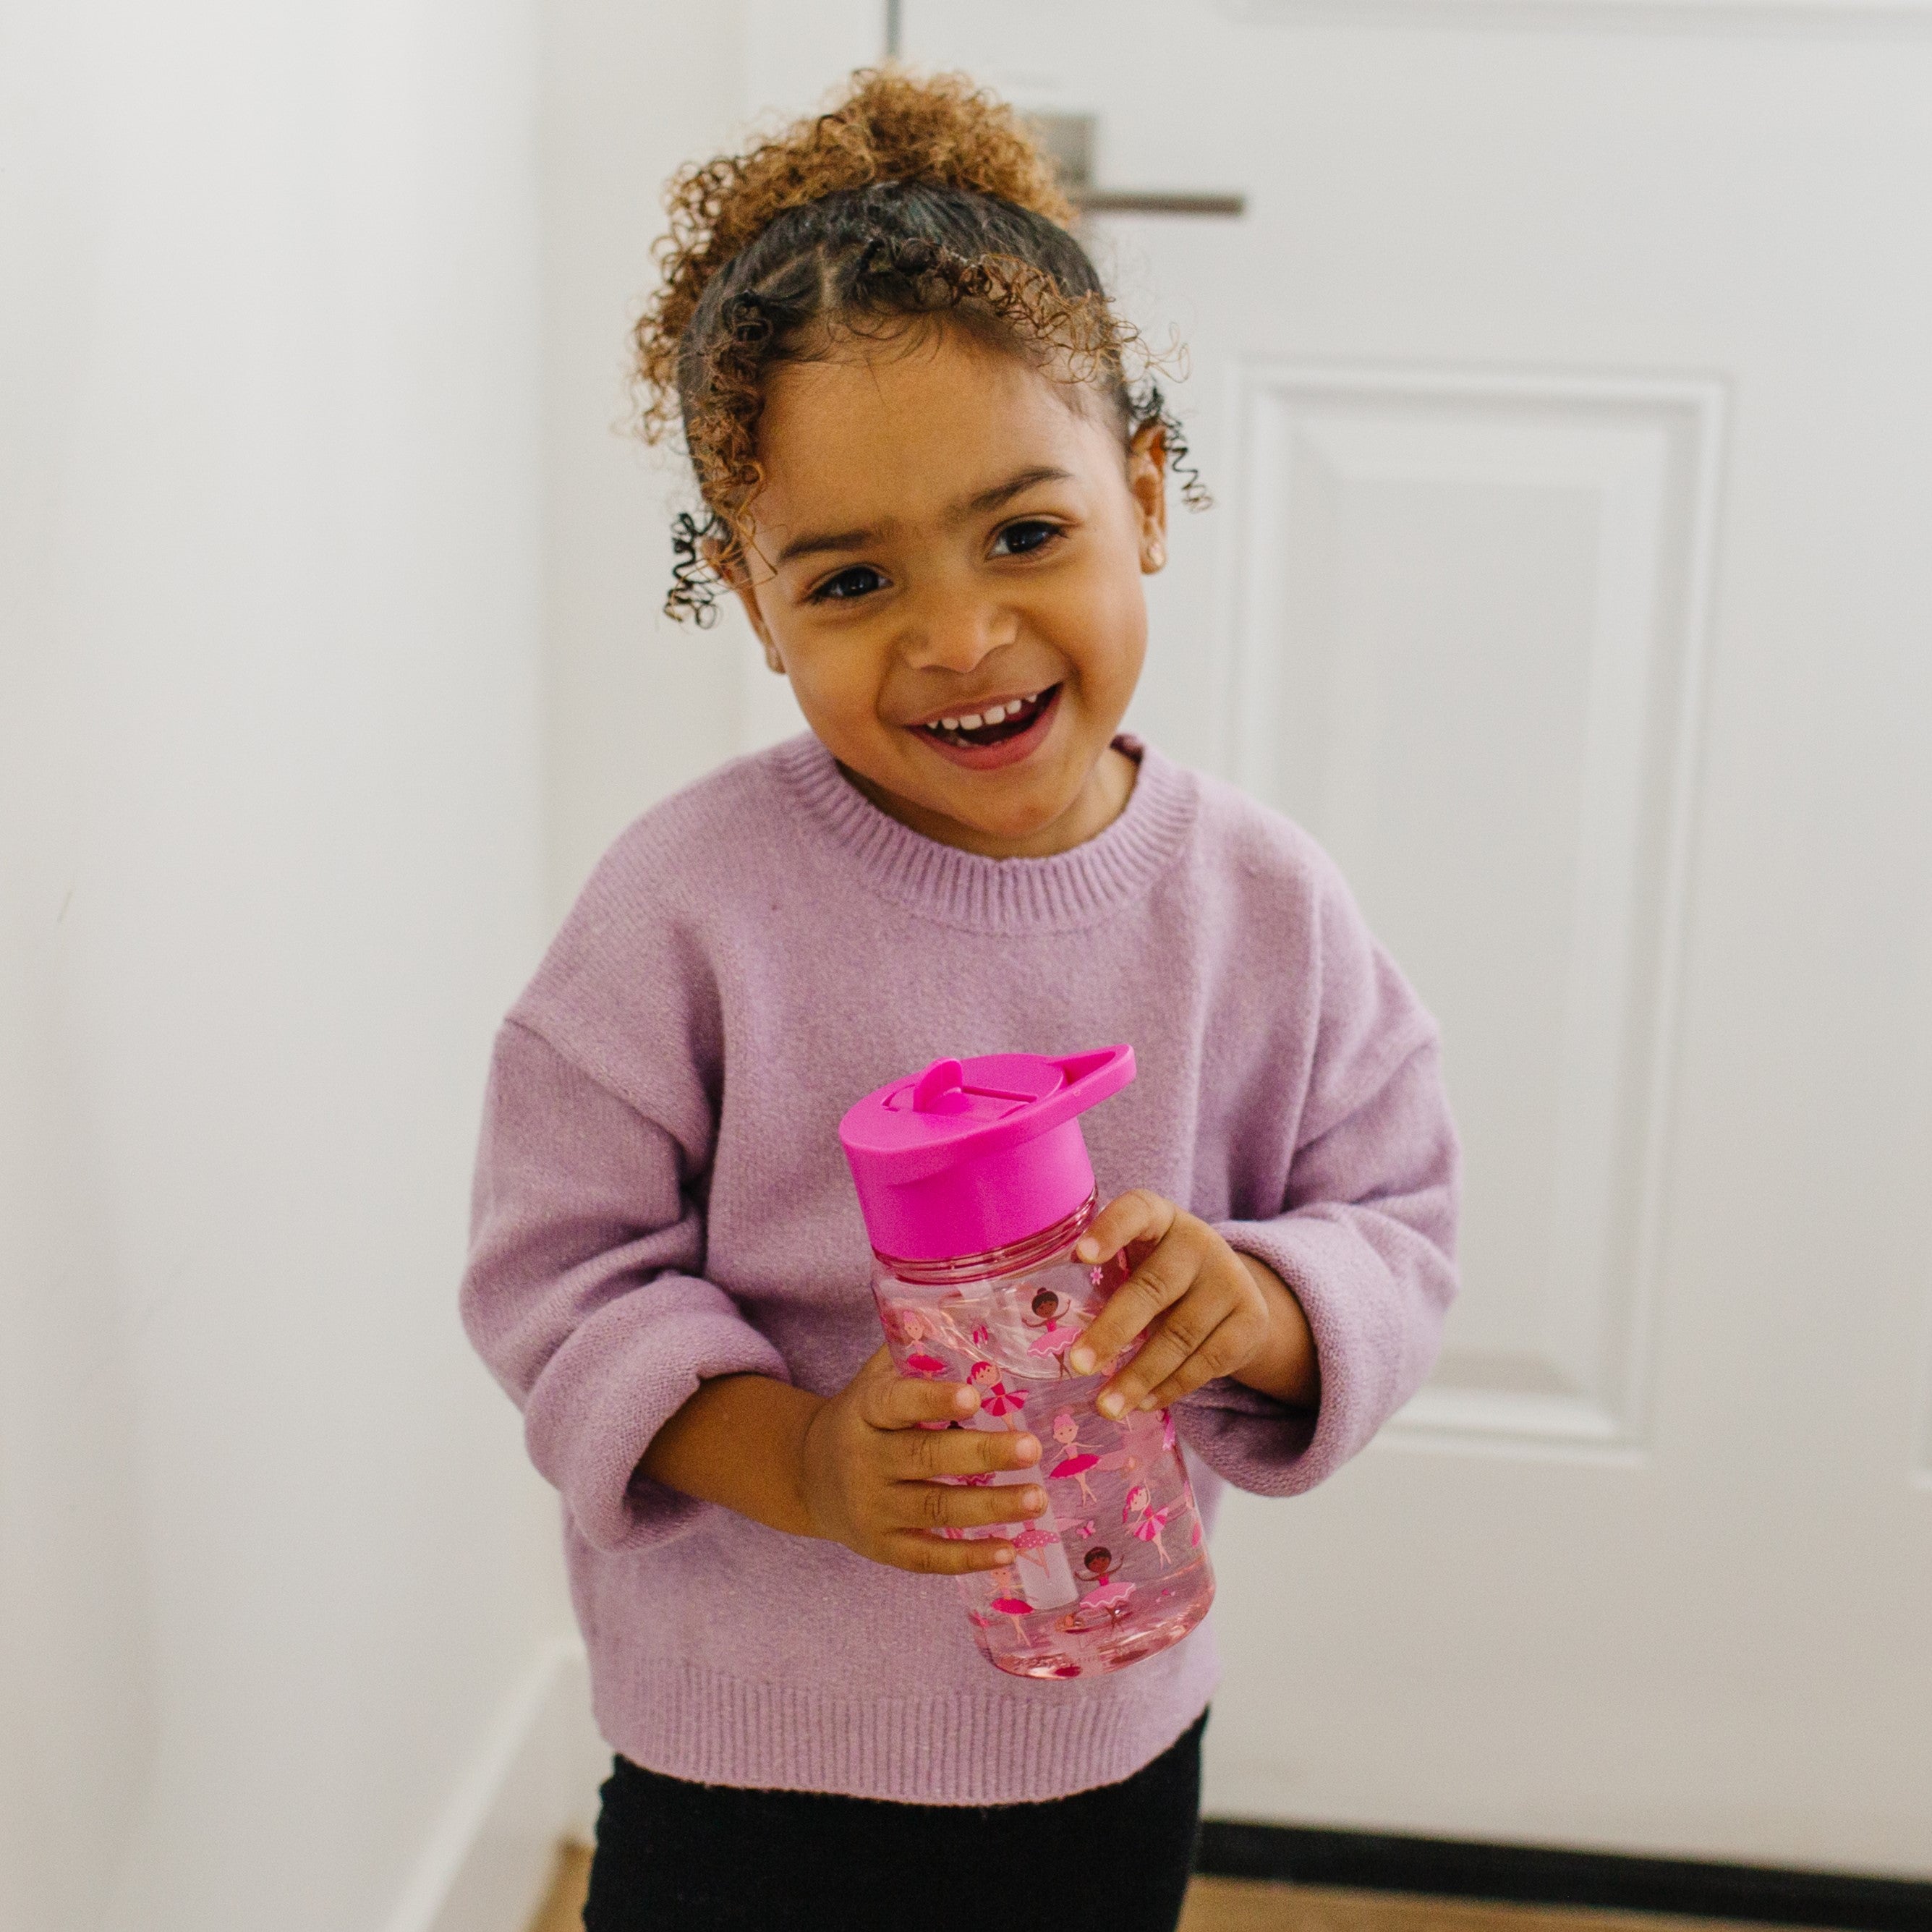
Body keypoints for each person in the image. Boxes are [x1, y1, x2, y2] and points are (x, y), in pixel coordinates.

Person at [461, 68, 1458, 1932]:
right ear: (755, 606)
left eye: (1023, 534)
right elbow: (557, 1281)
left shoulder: (1262, 907)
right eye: (852, 577)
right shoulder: (686, 908)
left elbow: (1395, 1220)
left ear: (1143, 494)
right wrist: (805, 1462)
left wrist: (1257, 1308)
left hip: (1106, 1748)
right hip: (744, 1761)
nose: (958, 636)